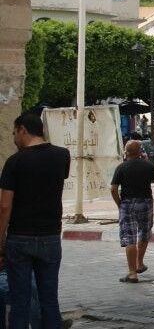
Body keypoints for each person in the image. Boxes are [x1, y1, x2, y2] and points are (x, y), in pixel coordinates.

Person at [0, 112, 71, 329]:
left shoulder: (14, 162)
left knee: (20, 301)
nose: (14, 138)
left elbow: (4, 206)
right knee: (49, 299)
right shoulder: (62, 155)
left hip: (20, 238)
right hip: (50, 236)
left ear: (23, 129)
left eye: (14, 133)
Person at [110, 140, 154, 282]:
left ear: (126, 152)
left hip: (128, 204)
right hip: (146, 203)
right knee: (144, 233)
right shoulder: (148, 166)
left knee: (129, 238)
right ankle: (139, 263)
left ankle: (132, 273)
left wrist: (120, 204)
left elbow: (113, 189)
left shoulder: (121, 168)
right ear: (140, 151)